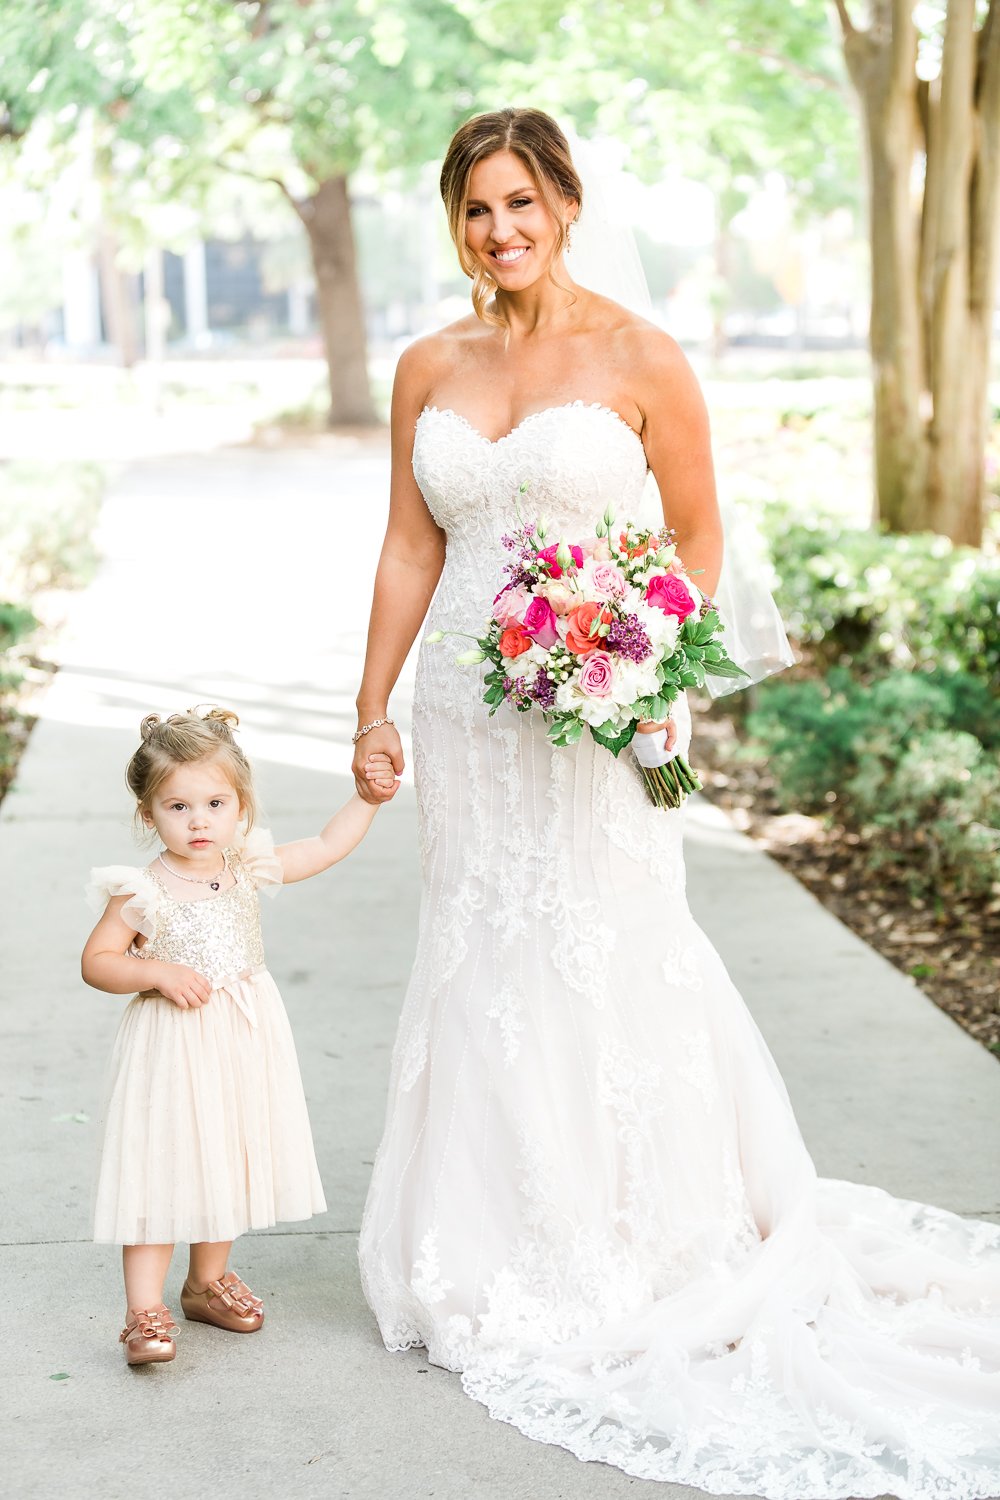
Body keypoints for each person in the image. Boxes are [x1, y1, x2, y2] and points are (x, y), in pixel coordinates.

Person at [353, 108, 1000, 1498]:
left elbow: (697, 534)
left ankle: (641, 1235)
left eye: (522, 203)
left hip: (602, 715)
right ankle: (488, 1239)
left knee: (608, 946)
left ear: (568, 203)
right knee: (482, 951)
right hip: (469, 720)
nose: (501, 231)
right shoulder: (429, 365)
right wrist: (370, 704)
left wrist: (649, 667)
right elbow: (412, 542)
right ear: (454, 223)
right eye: (475, 211)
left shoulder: (644, 357)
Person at [83, 706, 394, 1365]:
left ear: (240, 805)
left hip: (239, 1042)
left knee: (224, 1152)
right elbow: (98, 961)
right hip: (170, 1048)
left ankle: (204, 1282)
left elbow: (325, 846)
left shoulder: (246, 868)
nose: (198, 821)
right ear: (149, 815)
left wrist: (364, 800)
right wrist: (156, 970)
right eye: (178, 806)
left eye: (215, 803)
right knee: (161, 1166)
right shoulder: (141, 889)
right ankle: (143, 1312)